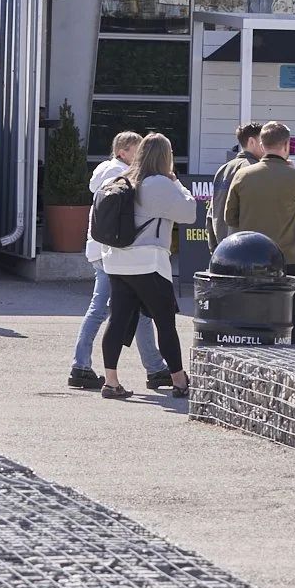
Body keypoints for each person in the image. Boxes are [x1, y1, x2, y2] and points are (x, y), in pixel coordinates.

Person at [99, 133, 197, 399]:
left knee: (117, 320)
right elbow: (189, 213)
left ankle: (111, 381)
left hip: (117, 261)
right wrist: (178, 184)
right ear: (166, 157)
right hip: (149, 263)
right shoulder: (160, 184)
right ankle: (179, 380)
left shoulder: (123, 179)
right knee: (165, 323)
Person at [69, 132, 168, 391]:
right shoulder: (121, 175)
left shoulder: (105, 174)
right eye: (137, 150)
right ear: (123, 151)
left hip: (102, 249)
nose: (140, 156)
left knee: (130, 310)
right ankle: (81, 366)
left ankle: (156, 368)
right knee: (108, 309)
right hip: (113, 252)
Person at [222, 122, 295, 343]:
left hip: (250, 259)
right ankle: (294, 364)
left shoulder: (243, 175)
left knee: (253, 316)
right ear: (286, 145)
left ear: (262, 144)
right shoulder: (294, 177)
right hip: (289, 259)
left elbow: (230, 217)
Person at [209, 122, 264, 244]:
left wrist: (214, 249)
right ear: (251, 142)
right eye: (263, 142)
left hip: (223, 248)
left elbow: (211, 213)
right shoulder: (257, 170)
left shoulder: (222, 170)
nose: (266, 147)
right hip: (247, 248)